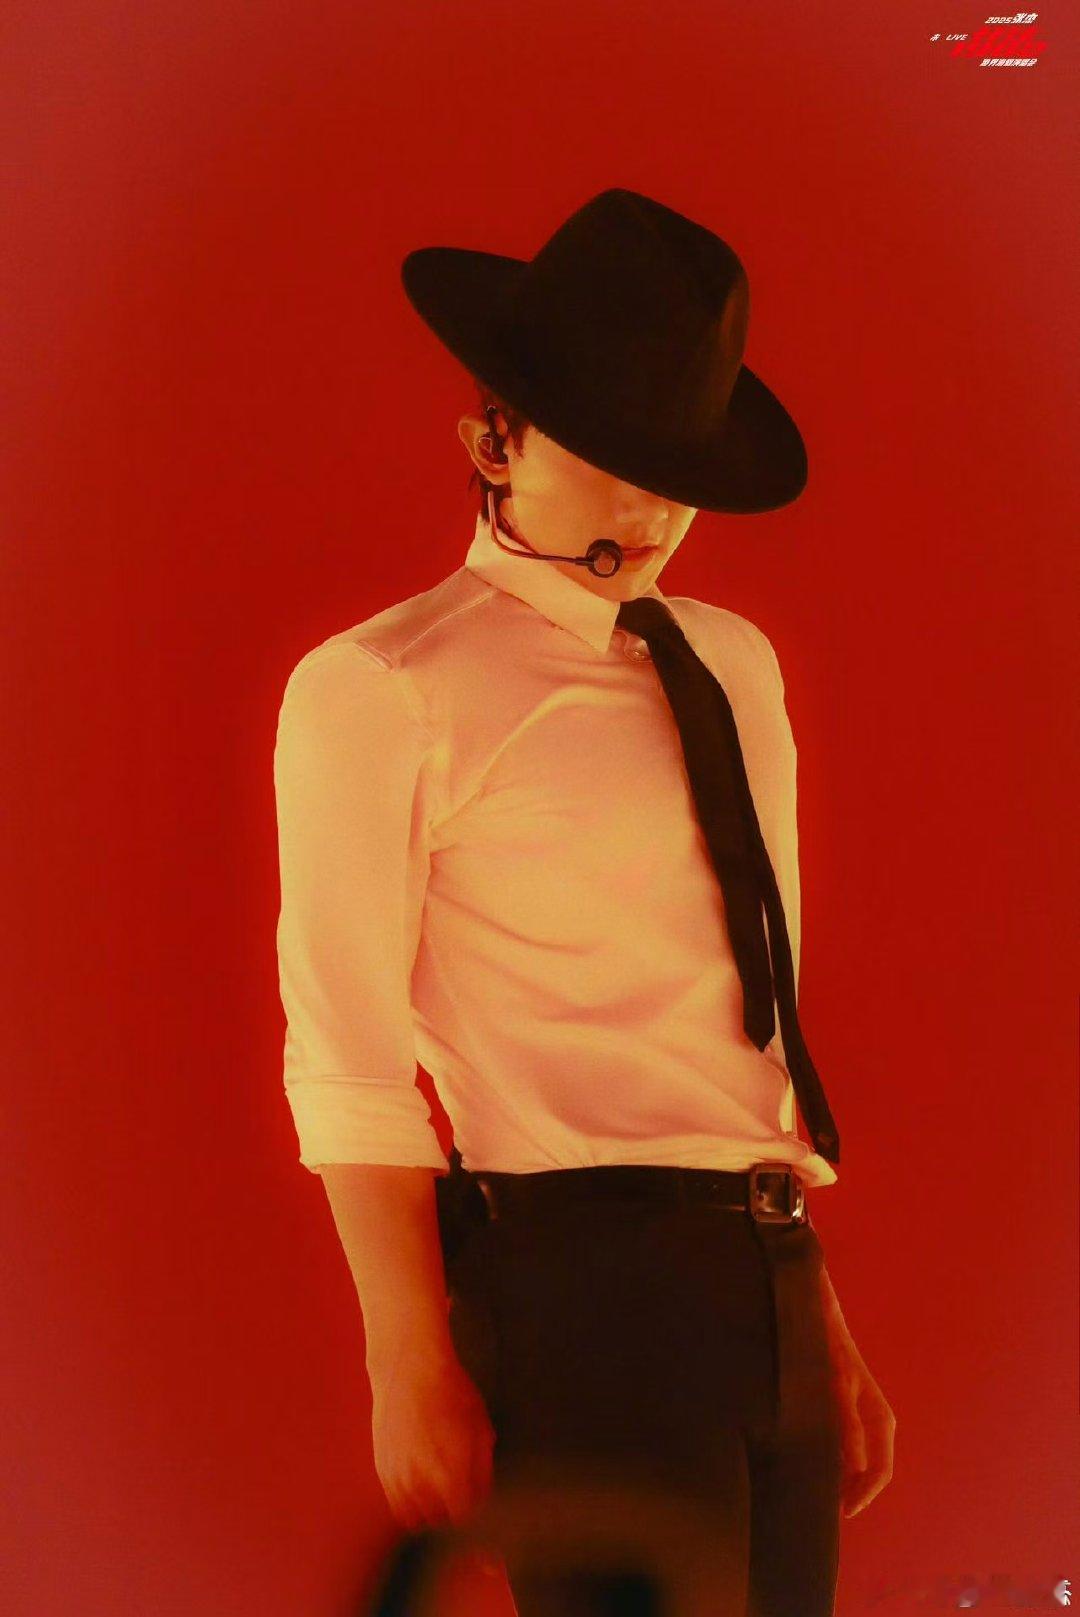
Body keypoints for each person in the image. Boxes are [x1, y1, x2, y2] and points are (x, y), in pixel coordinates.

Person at [272, 189, 895, 1616]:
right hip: (577, 1282)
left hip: (765, 1266)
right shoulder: (383, 687)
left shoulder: (733, 664)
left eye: (679, 470)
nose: (652, 510)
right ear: (493, 438)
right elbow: (348, 1053)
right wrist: (406, 1355)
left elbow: (742, 1021)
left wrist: (815, 1315)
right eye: (612, 457)